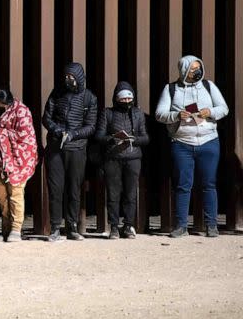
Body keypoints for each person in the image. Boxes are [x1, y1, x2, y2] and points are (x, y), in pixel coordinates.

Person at [155, 55, 229, 238]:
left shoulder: (208, 86)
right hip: (182, 143)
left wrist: (209, 112)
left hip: (208, 141)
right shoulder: (171, 89)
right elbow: (159, 114)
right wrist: (176, 115)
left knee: (209, 184)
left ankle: (211, 225)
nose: (197, 72)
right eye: (193, 69)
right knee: (183, 185)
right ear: (183, 70)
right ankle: (181, 226)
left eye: (199, 68)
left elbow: (224, 108)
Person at [42, 62, 97, 242]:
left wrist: (74, 134)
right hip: (55, 148)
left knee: (74, 189)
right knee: (56, 189)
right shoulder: (56, 93)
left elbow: (91, 126)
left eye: (71, 77)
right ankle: (55, 227)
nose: (68, 80)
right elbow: (46, 118)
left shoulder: (89, 98)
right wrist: (57, 131)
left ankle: (72, 227)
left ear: (79, 78)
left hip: (77, 149)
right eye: (66, 77)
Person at [95, 82, 149, 239]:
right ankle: (113, 226)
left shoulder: (138, 114)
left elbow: (145, 138)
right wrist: (112, 139)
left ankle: (129, 225)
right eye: (122, 98)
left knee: (131, 194)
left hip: (133, 158)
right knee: (113, 193)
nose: (126, 101)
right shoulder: (107, 113)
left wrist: (134, 139)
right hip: (113, 158)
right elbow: (99, 136)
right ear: (116, 99)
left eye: (129, 98)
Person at [0, 88, 38, 242]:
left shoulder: (22, 112)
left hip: (18, 158)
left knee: (15, 194)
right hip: (1, 159)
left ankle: (16, 229)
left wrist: (0, 133)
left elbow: (24, 135)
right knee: (1, 194)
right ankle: (6, 226)